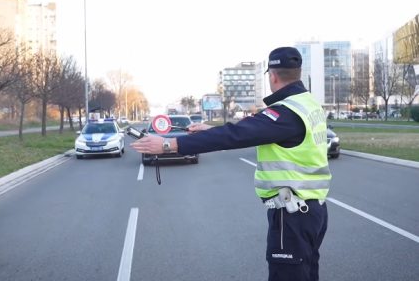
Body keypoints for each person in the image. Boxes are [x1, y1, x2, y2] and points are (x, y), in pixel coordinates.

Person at [131, 46, 331, 281]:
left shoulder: (286, 112)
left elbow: (236, 135)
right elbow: (248, 132)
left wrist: (168, 145)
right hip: (313, 211)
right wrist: (211, 130)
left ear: (272, 76)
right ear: (297, 73)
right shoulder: (308, 104)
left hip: (293, 217)